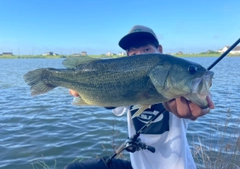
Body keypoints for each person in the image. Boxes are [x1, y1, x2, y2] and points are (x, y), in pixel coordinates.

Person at [65, 25, 214, 169]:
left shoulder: (180, 91)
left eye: (146, 49)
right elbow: (110, 102)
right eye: (134, 53)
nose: (141, 55)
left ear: (160, 50)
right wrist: (81, 86)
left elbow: (199, 103)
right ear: (127, 57)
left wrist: (200, 106)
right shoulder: (125, 81)